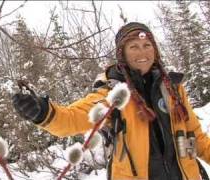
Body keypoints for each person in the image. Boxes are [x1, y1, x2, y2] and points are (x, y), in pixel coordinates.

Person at [12, 22, 210, 180]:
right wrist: (43, 112)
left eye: (147, 45)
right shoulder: (115, 93)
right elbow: (73, 118)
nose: (142, 53)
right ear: (121, 53)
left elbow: (197, 137)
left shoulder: (172, 88)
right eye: (134, 47)